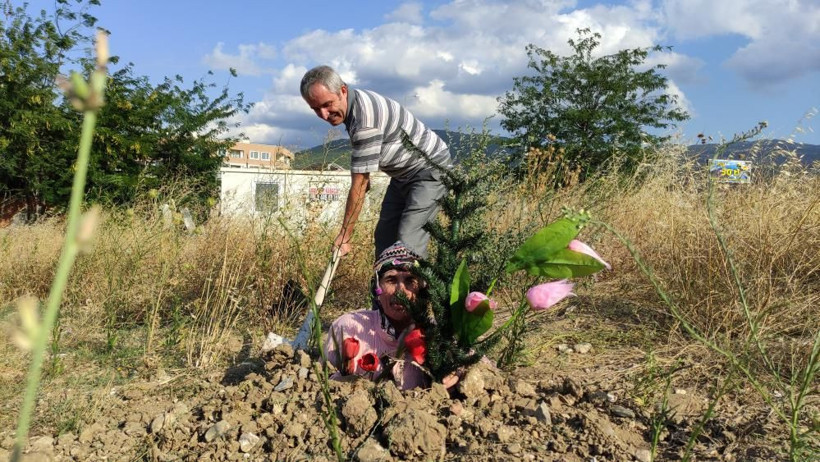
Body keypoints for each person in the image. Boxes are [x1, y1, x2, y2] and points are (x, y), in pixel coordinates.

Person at [300, 65, 452, 260]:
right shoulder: (353, 107)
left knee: (407, 244)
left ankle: (410, 280)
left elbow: (359, 185)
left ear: (343, 91)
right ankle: (381, 281)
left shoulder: (365, 121)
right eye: (315, 109)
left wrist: (345, 236)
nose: (323, 115)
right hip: (401, 175)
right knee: (385, 237)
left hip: (430, 169)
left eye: (327, 104)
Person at [323, 242, 429, 390]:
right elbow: (322, 380)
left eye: (410, 281)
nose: (400, 290)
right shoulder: (348, 327)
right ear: (377, 289)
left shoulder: (435, 334)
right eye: (391, 280)